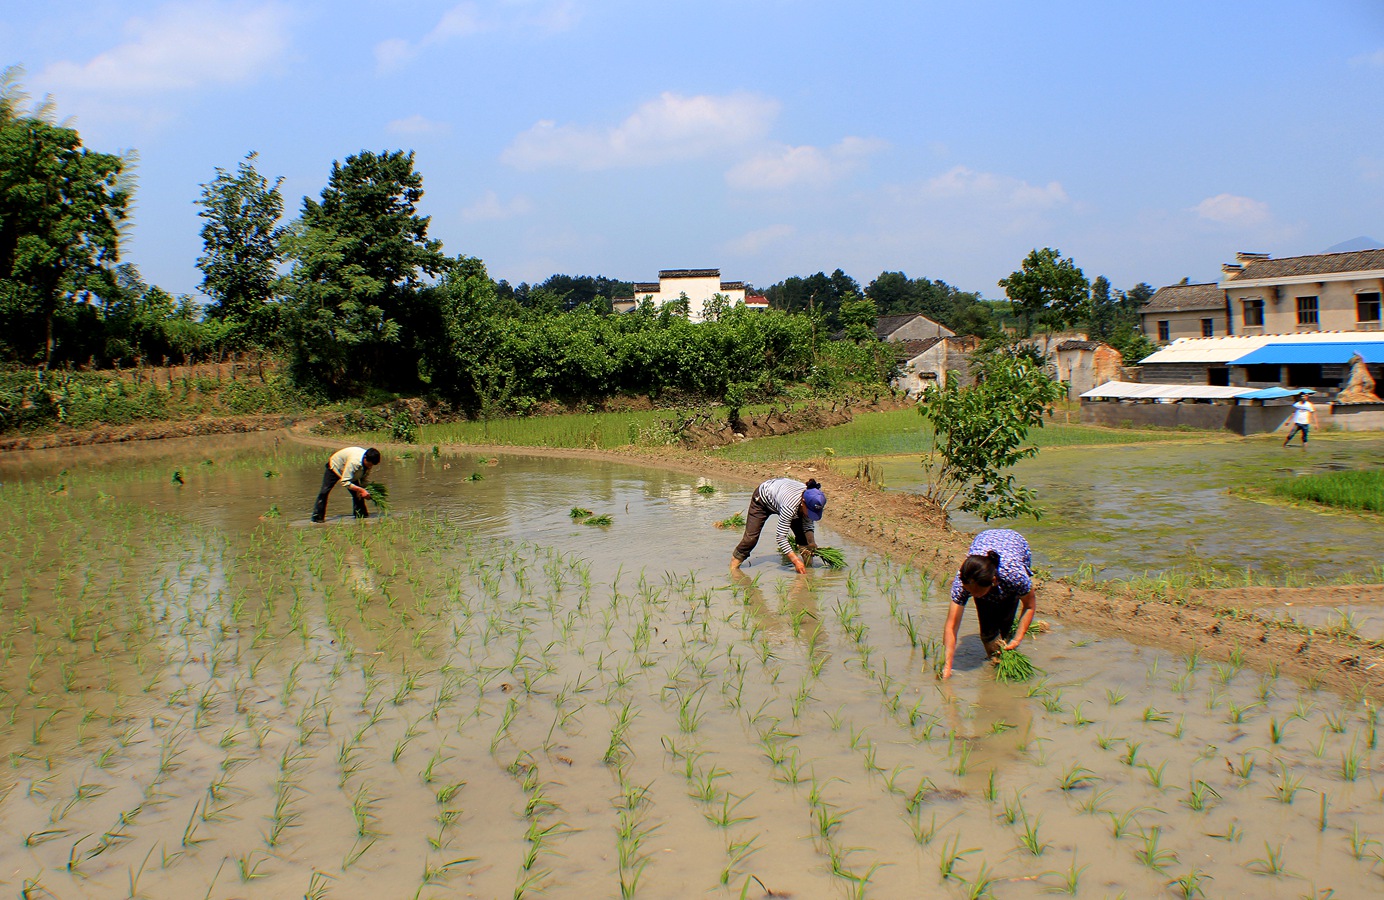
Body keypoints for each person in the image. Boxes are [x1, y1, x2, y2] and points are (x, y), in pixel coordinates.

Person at [941, 529, 1038, 679]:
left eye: (977, 592)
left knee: (1007, 611)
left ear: (993, 581)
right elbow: (951, 626)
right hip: (984, 540)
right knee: (987, 631)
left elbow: (1029, 605)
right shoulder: (962, 581)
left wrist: (1017, 639)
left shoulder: (1014, 575)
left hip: (1015, 543)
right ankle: (994, 657)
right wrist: (948, 666)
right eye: (970, 592)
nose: (973, 595)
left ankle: (1005, 644)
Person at [729, 477, 826, 574]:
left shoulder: (812, 499)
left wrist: (811, 542)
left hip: (782, 497)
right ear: (803, 502)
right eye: (809, 511)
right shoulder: (790, 506)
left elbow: (808, 522)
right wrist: (795, 561)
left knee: (803, 539)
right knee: (750, 539)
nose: (810, 514)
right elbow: (780, 537)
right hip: (762, 499)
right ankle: (733, 571)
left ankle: (809, 570)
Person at [311, 447, 380, 522]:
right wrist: (361, 490)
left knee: (357, 493)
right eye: (370, 464)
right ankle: (317, 518)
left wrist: (366, 490)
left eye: (372, 465)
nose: (370, 466)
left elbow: (364, 478)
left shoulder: (369, 461)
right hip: (335, 466)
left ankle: (361, 515)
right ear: (365, 458)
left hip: (350, 470)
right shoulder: (354, 462)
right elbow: (345, 482)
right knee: (324, 492)